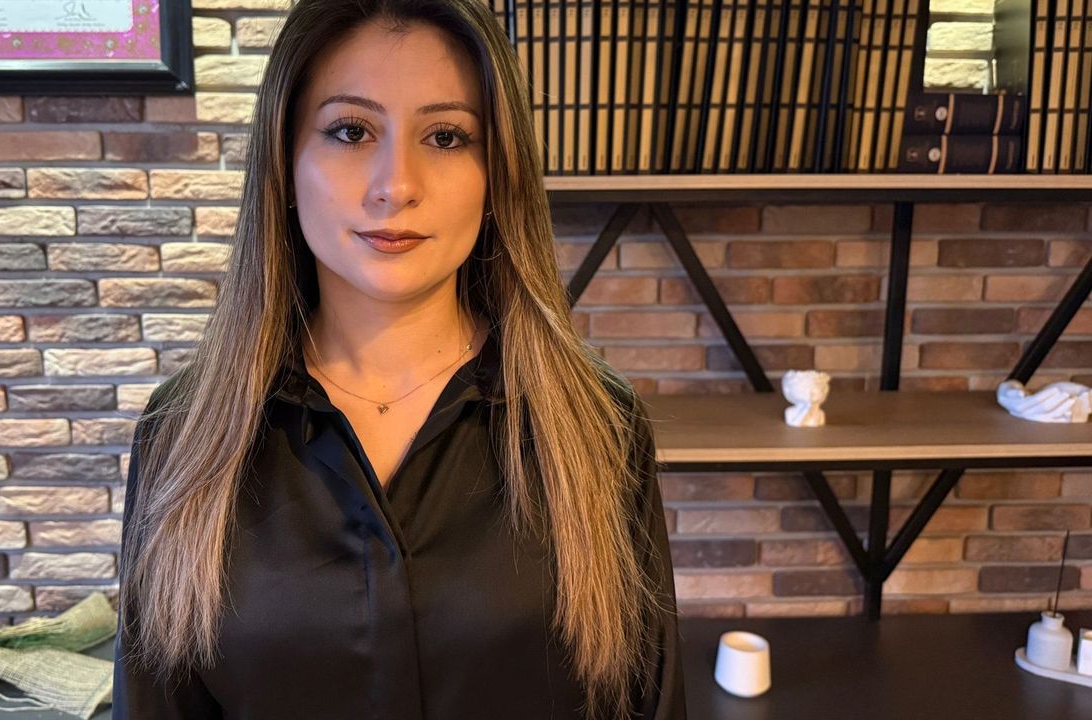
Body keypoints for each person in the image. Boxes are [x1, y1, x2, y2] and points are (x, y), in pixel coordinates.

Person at [111, 1, 686, 718]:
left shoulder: (600, 424)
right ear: (285, 161)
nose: (397, 184)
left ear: (496, 173)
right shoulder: (183, 432)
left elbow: (648, 701)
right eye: (351, 131)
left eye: (446, 137)